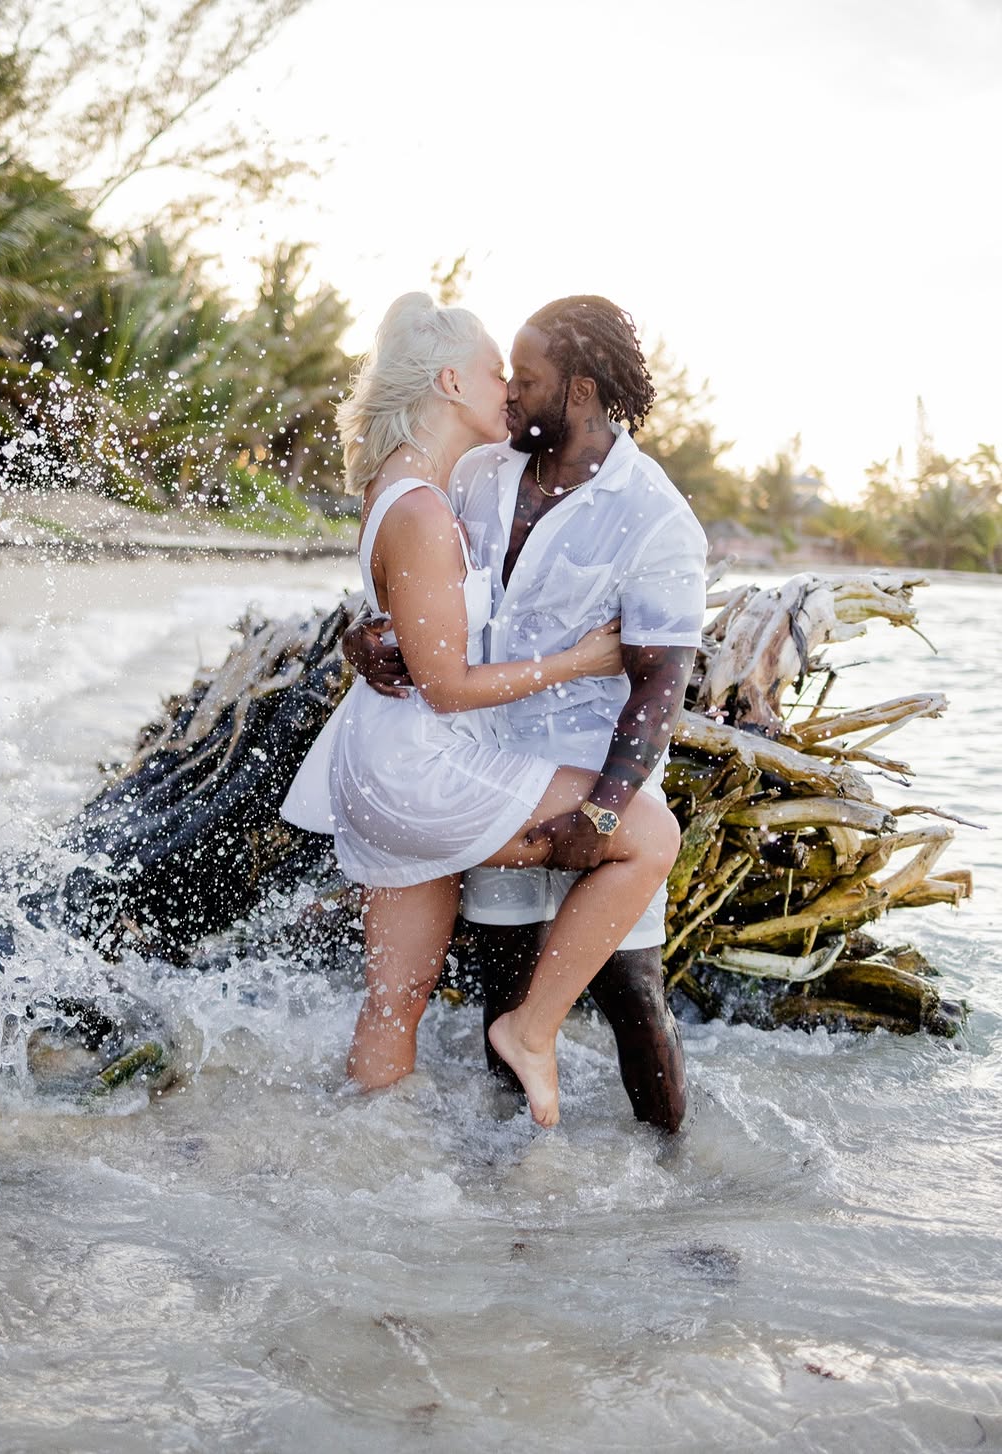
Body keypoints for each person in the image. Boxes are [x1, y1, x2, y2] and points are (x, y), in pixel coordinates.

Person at [282, 292, 681, 1128]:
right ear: (452, 381)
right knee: (655, 838)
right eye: (500, 372)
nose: (508, 389)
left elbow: (659, 684)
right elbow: (445, 677)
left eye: (522, 377)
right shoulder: (450, 489)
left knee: (397, 1005)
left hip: (401, 760)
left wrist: (602, 810)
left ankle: (364, 1160)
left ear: (577, 391)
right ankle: (529, 1036)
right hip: (431, 764)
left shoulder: (647, 515)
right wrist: (579, 659)